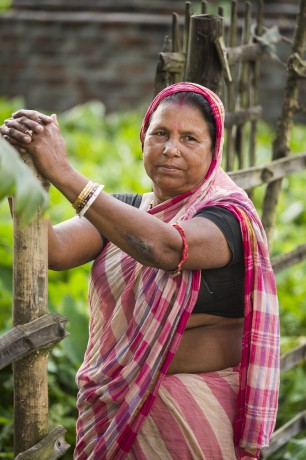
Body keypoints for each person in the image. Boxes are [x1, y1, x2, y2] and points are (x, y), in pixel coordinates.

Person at [1, 82, 280, 459]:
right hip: (115, 409)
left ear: (214, 152)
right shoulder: (124, 211)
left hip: (196, 419)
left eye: (190, 139)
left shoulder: (230, 217)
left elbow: (165, 247)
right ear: (142, 139)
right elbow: (53, 250)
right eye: (160, 133)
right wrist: (22, 172)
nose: (171, 149)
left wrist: (64, 172)